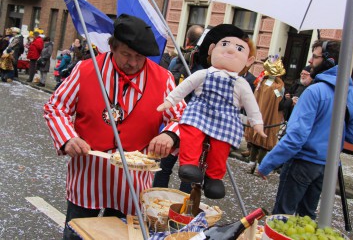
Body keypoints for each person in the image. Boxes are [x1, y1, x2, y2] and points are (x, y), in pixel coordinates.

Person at [44, 14, 185, 239]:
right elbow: (56, 108)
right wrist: (68, 138)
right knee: (76, 234)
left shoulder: (164, 78)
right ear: (112, 47)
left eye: (139, 57)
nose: (132, 62)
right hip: (87, 175)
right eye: (126, 54)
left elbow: (181, 118)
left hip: (132, 184)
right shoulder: (85, 69)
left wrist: (169, 135)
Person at [257, 40, 353, 219]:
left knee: (282, 216)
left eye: (315, 56)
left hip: (302, 162)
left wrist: (268, 163)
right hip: (326, 167)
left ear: (329, 61)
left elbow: (296, 137)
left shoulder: (314, 92)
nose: (310, 60)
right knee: (306, 217)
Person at [157, 24, 266, 199]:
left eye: (238, 49)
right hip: (198, 114)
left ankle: (213, 178)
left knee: (221, 147)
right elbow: (185, 86)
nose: (230, 51)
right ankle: (188, 166)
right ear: (212, 49)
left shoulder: (241, 83)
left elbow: (251, 105)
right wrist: (170, 101)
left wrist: (257, 122)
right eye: (225, 45)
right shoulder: (204, 73)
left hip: (224, 121)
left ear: (248, 60)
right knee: (191, 139)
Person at [152, 25, 204, 194]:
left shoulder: (176, 61)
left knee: (164, 168)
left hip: (174, 120)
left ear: (187, 40)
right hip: (195, 126)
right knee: (188, 171)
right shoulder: (207, 67)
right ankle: (183, 208)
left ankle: (156, 198)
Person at [243, 56, 286, 173]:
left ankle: (251, 163)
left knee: (255, 139)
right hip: (270, 118)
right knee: (264, 142)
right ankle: (259, 166)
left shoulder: (261, 81)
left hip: (257, 115)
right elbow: (280, 103)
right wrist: (289, 101)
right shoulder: (278, 86)